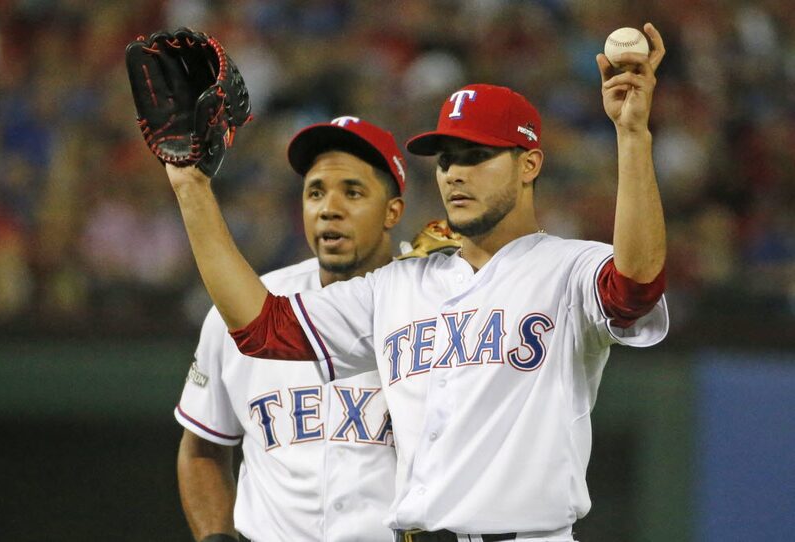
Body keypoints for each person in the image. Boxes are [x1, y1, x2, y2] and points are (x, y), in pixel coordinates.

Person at [167, 23, 668, 542]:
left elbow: (636, 287)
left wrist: (632, 136)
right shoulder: (396, 285)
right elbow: (263, 330)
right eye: (447, 158)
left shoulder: (568, 269)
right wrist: (191, 186)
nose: (454, 173)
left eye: (477, 156)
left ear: (529, 165)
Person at [174, 116, 406, 542]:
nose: (328, 208)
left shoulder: (434, 306)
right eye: (315, 192)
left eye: (352, 192)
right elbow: (203, 447)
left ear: (393, 210)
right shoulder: (242, 307)